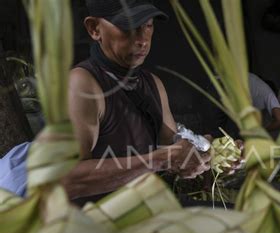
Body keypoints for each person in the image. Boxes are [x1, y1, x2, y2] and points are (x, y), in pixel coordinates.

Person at [62, 0, 211, 205]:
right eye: (128, 27)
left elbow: (173, 148)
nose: (142, 40)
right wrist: (161, 159)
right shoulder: (82, 84)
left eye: (148, 26)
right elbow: (68, 179)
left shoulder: (152, 84)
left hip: (146, 213)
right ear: (95, 29)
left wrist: (211, 155)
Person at [207, 73, 280, 139]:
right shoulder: (269, 94)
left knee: (215, 127)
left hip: (215, 85)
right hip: (224, 94)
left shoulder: (253, 78)